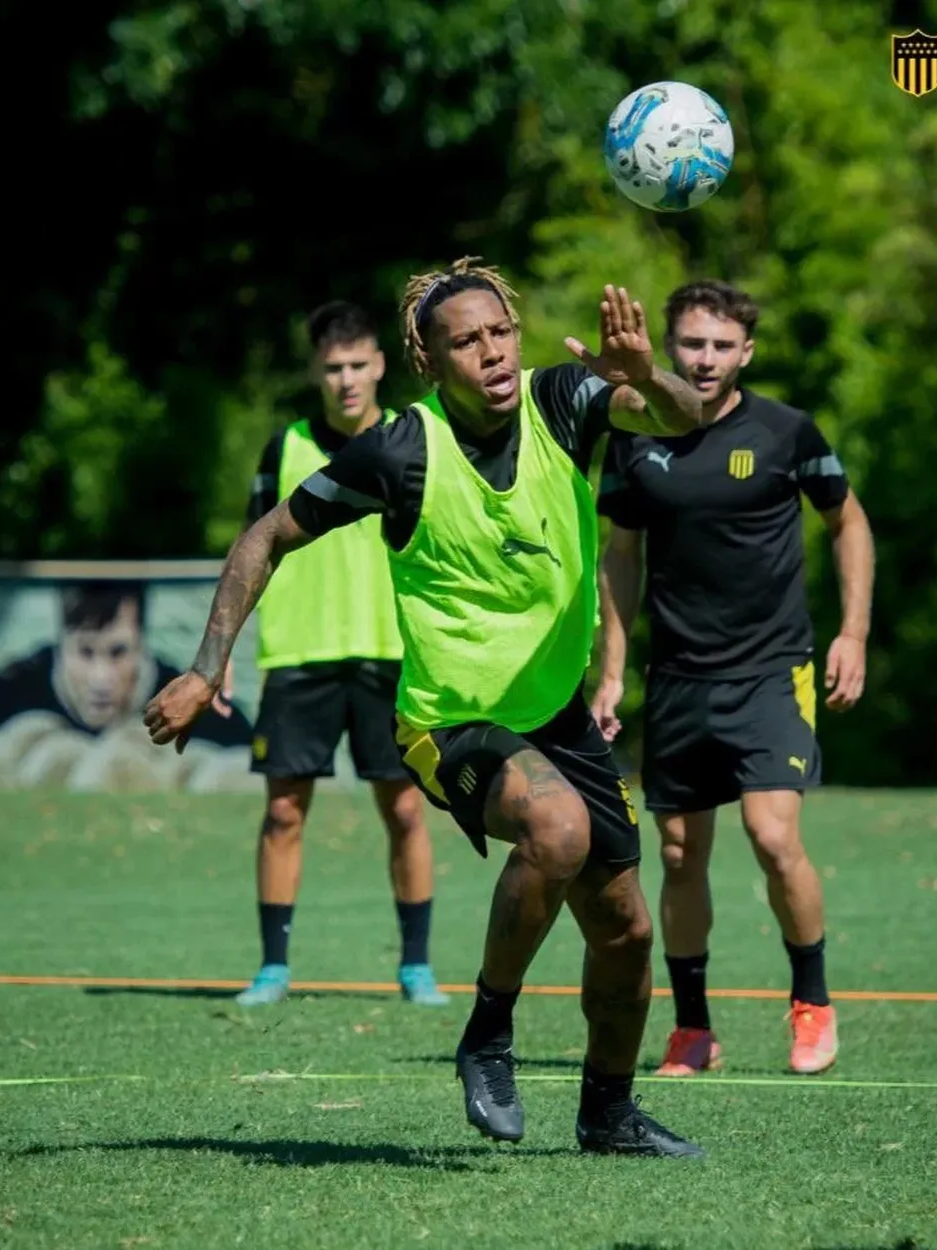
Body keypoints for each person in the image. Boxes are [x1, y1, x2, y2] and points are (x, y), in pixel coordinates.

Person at [145, 257, 705, 1157]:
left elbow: (686, 414)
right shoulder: (400, 450)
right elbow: (266, 536)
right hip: (448, 721)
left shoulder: (563, 400)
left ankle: (607, 1113)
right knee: (556, 830)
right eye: (465, 341)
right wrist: (208, 667)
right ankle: (488, 1032)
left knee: (628, 930)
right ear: (429, 361)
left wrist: (644, 374)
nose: (490, 353)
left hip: (557, 713)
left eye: (500, 333)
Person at [591, 278, 875, 1078]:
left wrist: (852, 632)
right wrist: (611, 669)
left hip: (772, 672)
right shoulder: (637, 437)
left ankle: (812, 1005)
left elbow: (847, 520)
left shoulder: (788, 431)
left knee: (773, 836)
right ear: (669, 347)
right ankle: (693, 1031)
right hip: (679, 679)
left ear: (746, 352)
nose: (705, 359)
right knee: (679, 856)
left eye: (721, 346)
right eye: (691, 343)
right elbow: (622, 552)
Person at [236, 300, 447, 1009]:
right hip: (299, 656)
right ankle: (273, 967)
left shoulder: (410, 441)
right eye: (334, 368)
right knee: (285, 814)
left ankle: (416, 966)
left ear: (382, 364)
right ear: (315, 371)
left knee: (407, 811)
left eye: (359, 364)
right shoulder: (285, 448)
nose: (347, 379)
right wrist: (226, 660)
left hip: (393, 655)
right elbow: (252, 552)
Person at [0, 580, 250, 746]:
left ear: (141, 644)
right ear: (61, 644)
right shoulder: (5, 696)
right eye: (85, 652)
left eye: (118, 652)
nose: (101, 678)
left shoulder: (200, 716)